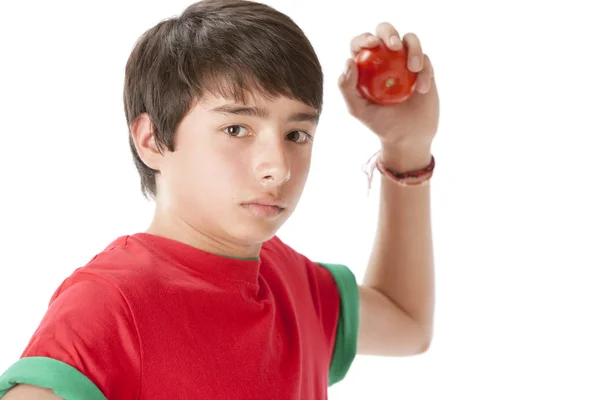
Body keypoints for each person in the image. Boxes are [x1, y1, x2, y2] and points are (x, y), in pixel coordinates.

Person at [0, 0, 438, 398]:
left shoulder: (289, 280)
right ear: (152, 140)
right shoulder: (109, 304)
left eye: (296, 134)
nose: (278, 167)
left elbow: (406, 322)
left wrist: (407, 145)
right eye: (236, 129)